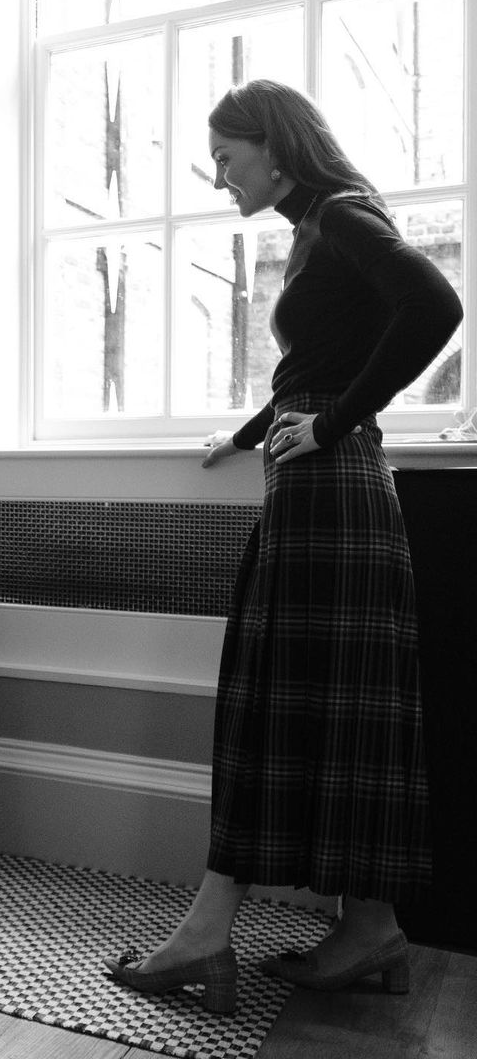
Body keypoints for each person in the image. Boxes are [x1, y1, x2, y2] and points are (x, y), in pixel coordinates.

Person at [104, 80, 463, 1013]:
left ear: (274, 146)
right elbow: (326, 356)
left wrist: (335, 423)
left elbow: (435, 307)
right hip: (317, 484)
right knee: (333, 705)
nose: (220, 178)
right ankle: (369, 924)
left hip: (331, 488)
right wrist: (253, 427)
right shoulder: (317, 229)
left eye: (227, 158)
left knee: (274, 702)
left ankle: (207, 932)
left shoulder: (340, 213)